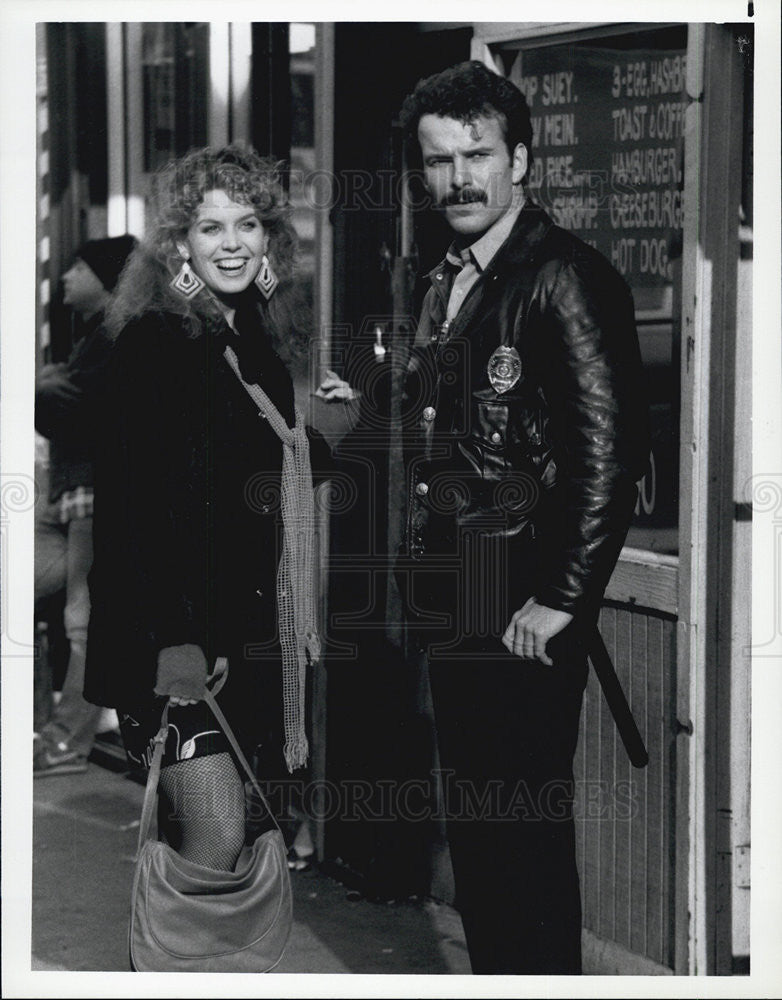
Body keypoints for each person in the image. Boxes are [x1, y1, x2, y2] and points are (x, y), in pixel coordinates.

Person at [396, 61, 650, 974]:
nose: (458, 177)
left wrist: (561, 597)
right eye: (439, 161)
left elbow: (606, 458)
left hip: (521, 607)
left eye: (477, 154)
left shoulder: (565, 277)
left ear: (521, 161)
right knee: (483, 837)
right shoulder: (449, 278)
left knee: (521, 841)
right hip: (460, 597)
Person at [85, 145, 338, 874]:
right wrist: (178, 640)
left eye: (248, 224)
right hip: (173, 645)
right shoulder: (156, 342)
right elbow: (140, 509)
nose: (232, 244)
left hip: (240, 634)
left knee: (211, 850)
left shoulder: (247, 336)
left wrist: (322, 435)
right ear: (178, 245)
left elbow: (247, 470)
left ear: (270, 239)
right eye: (210, 228)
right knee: (216, 835)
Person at [34, 235, 138, 775]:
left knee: (84, 620)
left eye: (79, 266)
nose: (66, 276)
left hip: (95, 488)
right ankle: (47, 730)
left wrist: (48, 386)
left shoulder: (118, 333)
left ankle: (64, 740)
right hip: (70, 490)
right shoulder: (93, 335)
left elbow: (76, 407)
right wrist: (51, 388)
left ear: (106, 277)